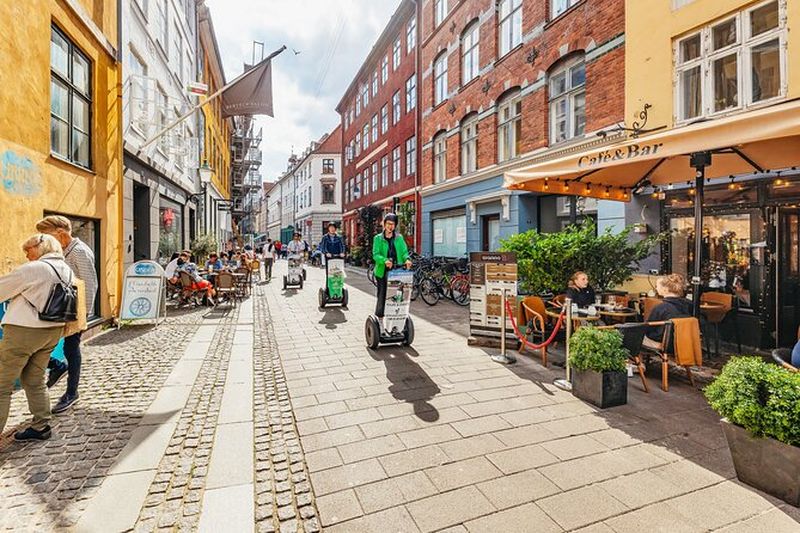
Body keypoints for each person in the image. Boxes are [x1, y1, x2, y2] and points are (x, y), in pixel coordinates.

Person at [0, 234, 73, 441]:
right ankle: (41, 426)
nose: (26, 255)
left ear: (40, 247)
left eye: (28, 250)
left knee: (2, 383)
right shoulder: (65, 269)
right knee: (34, 379)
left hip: (24, 330)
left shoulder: (34, 269)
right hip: (52, 330)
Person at [36, 216, 98, 414]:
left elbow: (90, 283)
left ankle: (71, 392)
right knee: (39, 345)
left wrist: (83, 316)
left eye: (46, 236)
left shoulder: (79, 251)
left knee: (71, 349)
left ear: (60, 233)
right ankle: (57, 366)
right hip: (60, 309)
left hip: (73, 311)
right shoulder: (62, 251)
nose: (43, 240)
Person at [372, 213, 412, 319]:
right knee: (383, 292)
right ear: (384, 224)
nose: (390, 226)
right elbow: (375, 255)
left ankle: (395, 313)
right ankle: (380, 315)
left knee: (397, 293)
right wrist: (384, 260)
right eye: (388, 224)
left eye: (393, 224)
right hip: (382, 270)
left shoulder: (399, 238)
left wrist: (407, 259)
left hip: (396, 269)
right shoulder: (378, 238)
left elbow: (404, 252)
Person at [643, 274, 692, 350]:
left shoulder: (661, 308)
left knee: (632, 335)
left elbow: (648, 328)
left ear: (665, 289)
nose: (656, 288)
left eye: (657, 286)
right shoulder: (690, 305)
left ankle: (637, 361)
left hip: (665, 343)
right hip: (683, 342)